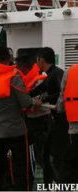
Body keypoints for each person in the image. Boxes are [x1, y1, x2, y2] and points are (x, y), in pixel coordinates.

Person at [0, 46, 39, 191]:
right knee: (21, 166)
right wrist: (35, 102)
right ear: (9, 59)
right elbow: (26, 103)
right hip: (14, 130)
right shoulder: (13, 76)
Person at [29, 47, 67, 184]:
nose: (36, 64)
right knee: (46, 155)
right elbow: (40, 89)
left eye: (36, 61)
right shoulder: (51, 74)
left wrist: (43, 99)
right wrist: (24, 95)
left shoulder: (57, 73)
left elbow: (62, 94)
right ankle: (47, 184)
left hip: (63, 121)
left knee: (54, 156)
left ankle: (61, 184)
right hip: (55, 121)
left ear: (41, 60)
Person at [15, 54, 48, 186]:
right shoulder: (23, 79)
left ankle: (55, 181)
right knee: (34, 153)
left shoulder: (40, 79)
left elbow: (38, 100)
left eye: (18, 67)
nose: (17, 69)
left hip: (41, 120)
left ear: (24, 66)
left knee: (41, 155)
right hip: (30, 119)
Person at [56, 50, 78, 183]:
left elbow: (62, 98)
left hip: (75, 127)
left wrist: (59, 109)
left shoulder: (70, 71)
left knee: (70, 163)